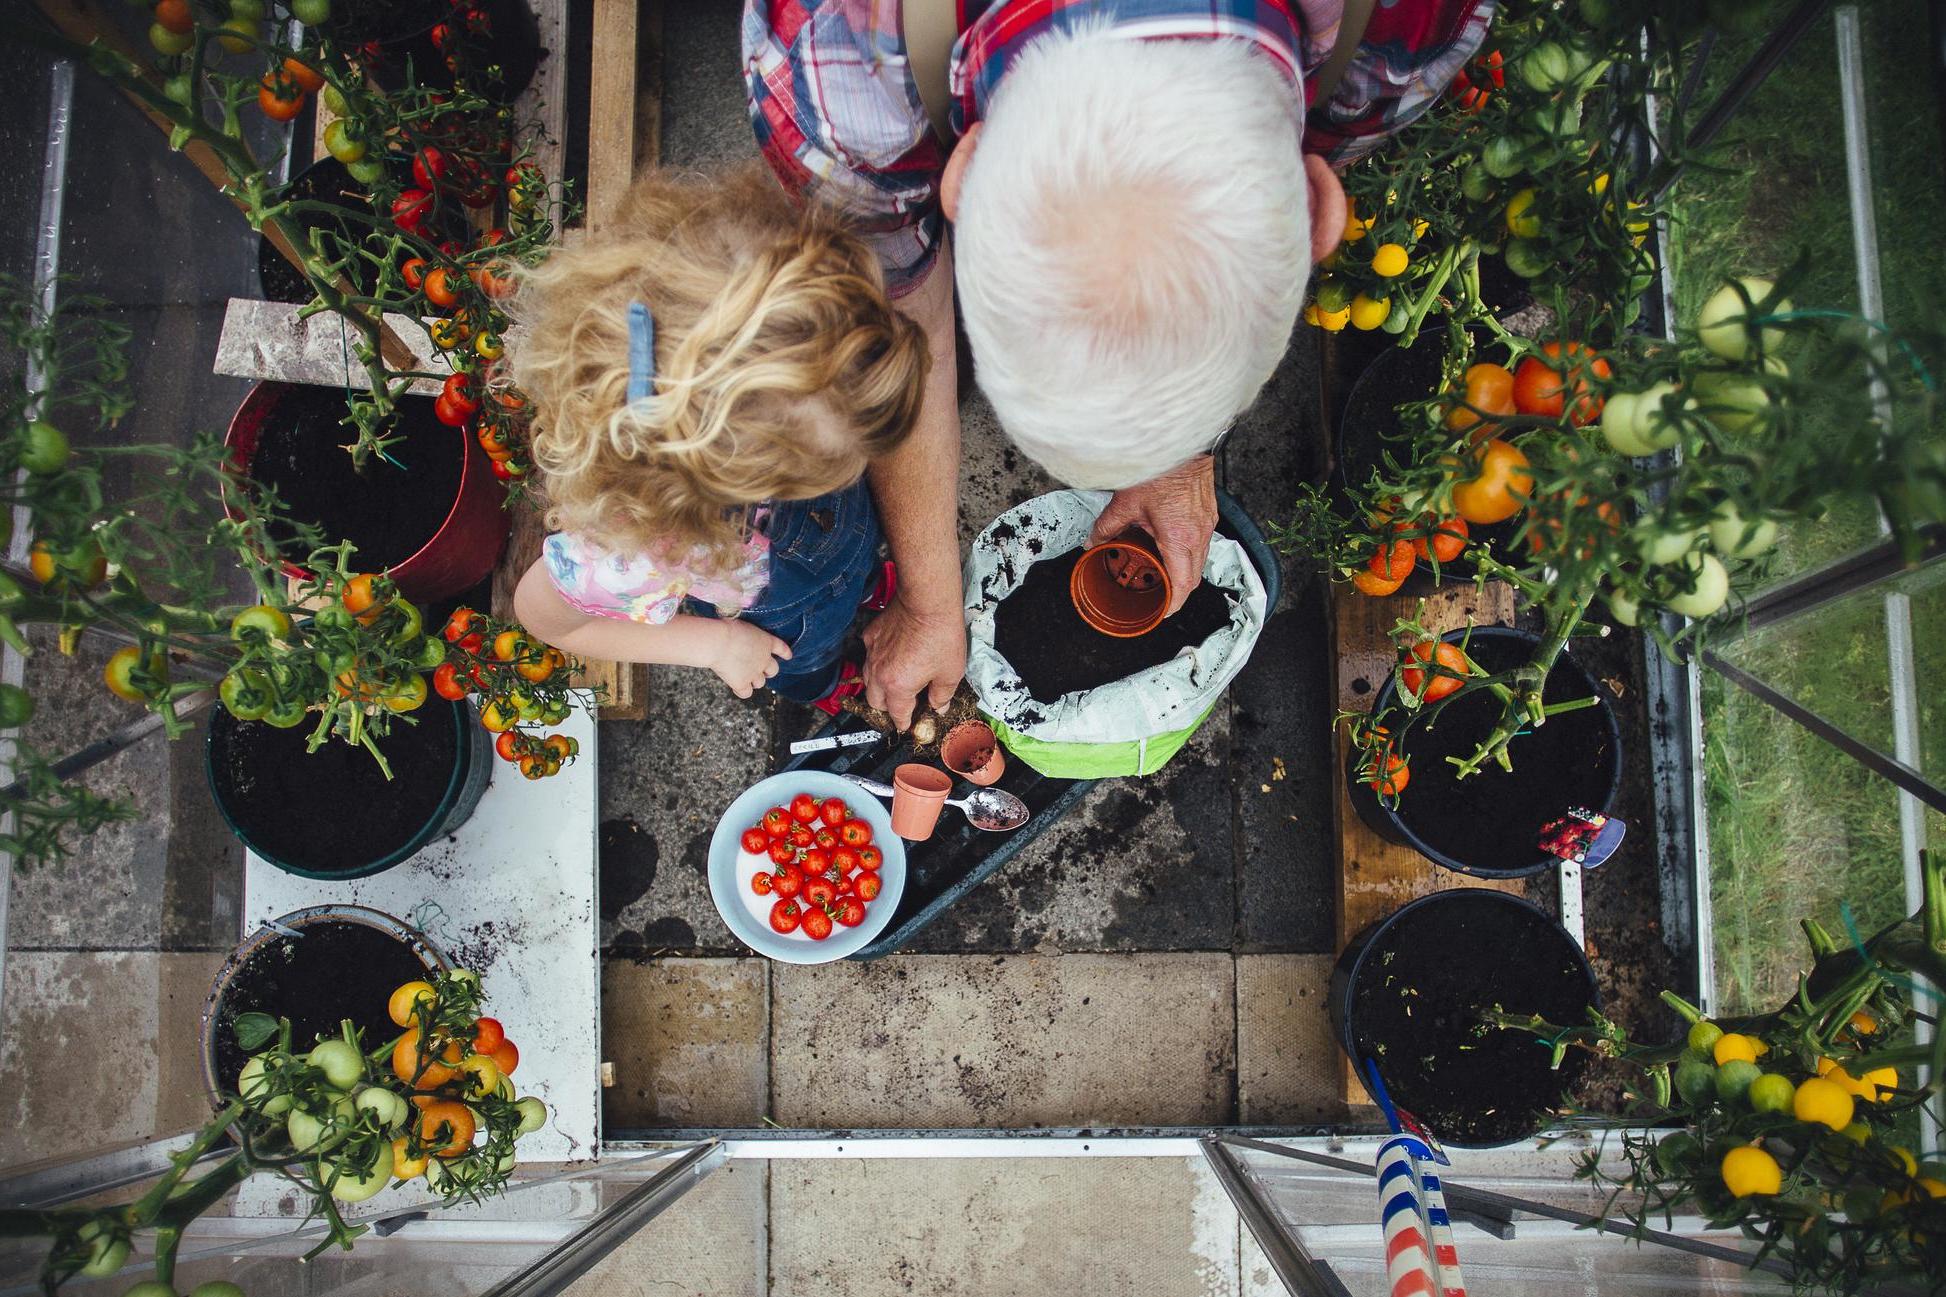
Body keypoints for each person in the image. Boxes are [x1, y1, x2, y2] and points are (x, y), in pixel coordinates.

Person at [744, 0, 1494, 725]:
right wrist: (933, 600)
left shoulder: (1412, 24)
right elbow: (904, 335)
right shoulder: (838, 74)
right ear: (1319, 208)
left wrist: (1180, 457)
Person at [508, 166, 930, 711]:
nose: (862, 463)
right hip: (784, 622)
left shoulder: (788, 378)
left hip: (836, 543)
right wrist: (718, 643)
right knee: (803, 664)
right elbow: (547, 620)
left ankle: (863, 584)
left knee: (856, 557)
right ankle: (826, 681)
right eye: (841, 458)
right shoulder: (631, 551)